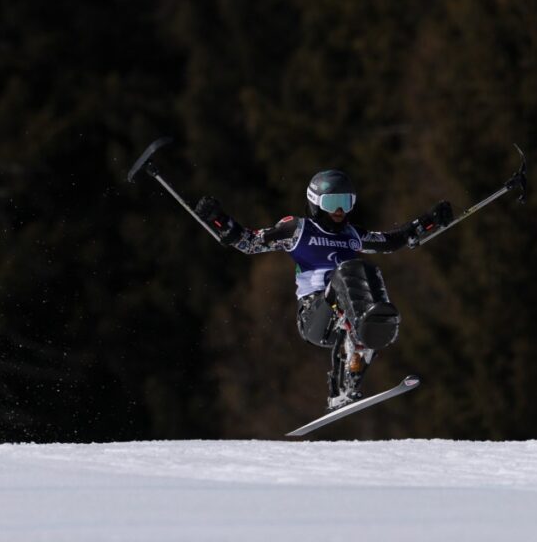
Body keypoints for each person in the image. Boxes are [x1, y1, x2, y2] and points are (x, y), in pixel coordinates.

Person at [194, 169, 453, 408]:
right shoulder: (297, 229)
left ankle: (354, 370)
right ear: (315, 202)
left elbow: (392, 240)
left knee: (370, 271)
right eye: (332, 203)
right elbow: (249, 242)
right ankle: (349, 364)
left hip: (347, 315)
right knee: (346, 272)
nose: (339, 210)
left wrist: (429, 221)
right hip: (314, 316)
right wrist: (219, 219)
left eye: (346, 202)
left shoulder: (352, 235)